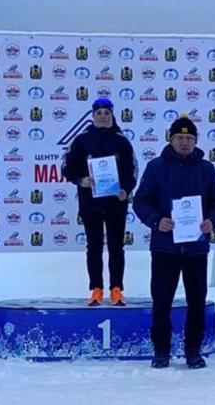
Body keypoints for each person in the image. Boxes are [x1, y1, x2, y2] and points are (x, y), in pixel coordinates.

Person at [133, 116, 215, 369]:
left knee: (196, 302)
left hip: (196, 248)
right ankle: (161, 351)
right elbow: (140, 202)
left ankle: (193, 350)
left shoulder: (206, 169)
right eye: (180, 138)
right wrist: (157, 221)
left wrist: (211, 220)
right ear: (171, 140)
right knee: (161, 302)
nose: (184, 142)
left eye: (189, 138)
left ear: (195, 141)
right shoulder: (156, 167)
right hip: (165, 248)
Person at [62, 99, 139, 307]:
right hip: (90, 202)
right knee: (94, 246)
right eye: (99, 113)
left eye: (107, 113)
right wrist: (80, 180)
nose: (103, 116)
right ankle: (96, 289)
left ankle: (116, 289)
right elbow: (67, 167)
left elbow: (132, 170)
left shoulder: (122, 141)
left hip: (116, 202)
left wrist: (126, 189)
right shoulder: (81, 140)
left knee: (116, 246)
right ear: (93, 116)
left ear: (112, 115)